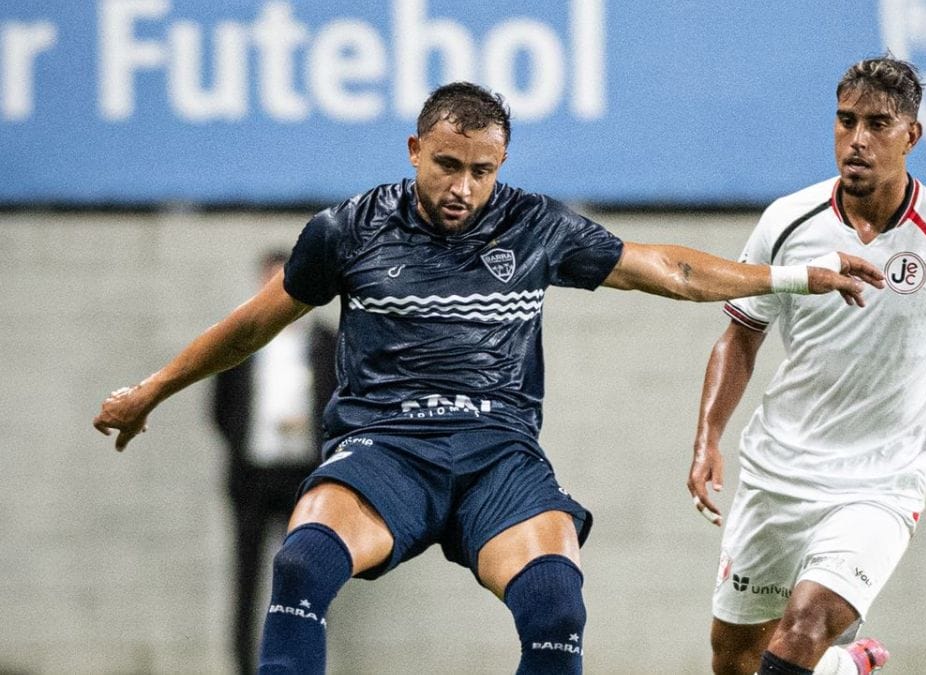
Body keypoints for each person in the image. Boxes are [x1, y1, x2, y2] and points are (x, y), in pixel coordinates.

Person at [93, 81, 885, 674]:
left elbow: (667, 270)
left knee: (556, 605)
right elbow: (252, 325)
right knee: (301, 563)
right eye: (447, 165)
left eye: (482, 170)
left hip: (497, 456)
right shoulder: (348, 231)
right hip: (385, 448)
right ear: (414, 150)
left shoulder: (534, 225)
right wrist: (152, 390)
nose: (463, 188)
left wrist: (795, 276)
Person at [687, 56, 926, 675]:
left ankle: (831, 658)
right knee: (736, 660)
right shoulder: (788, 222)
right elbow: (741, 337)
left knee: (804, 628)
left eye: (878, 124)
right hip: (778, 472)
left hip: (881, 482)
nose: (858, 139)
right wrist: (708, 436)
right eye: (846, 121)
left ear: (911, 136)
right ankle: (845, 668)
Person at [213, 249, 337, 675]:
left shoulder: (325, 342)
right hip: (252, 476)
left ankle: (300, 665)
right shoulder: (240, 339)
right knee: (246, 579)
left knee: (306, 577)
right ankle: (245, 666)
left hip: (306, 479)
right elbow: (221, 409)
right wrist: (246, 443)